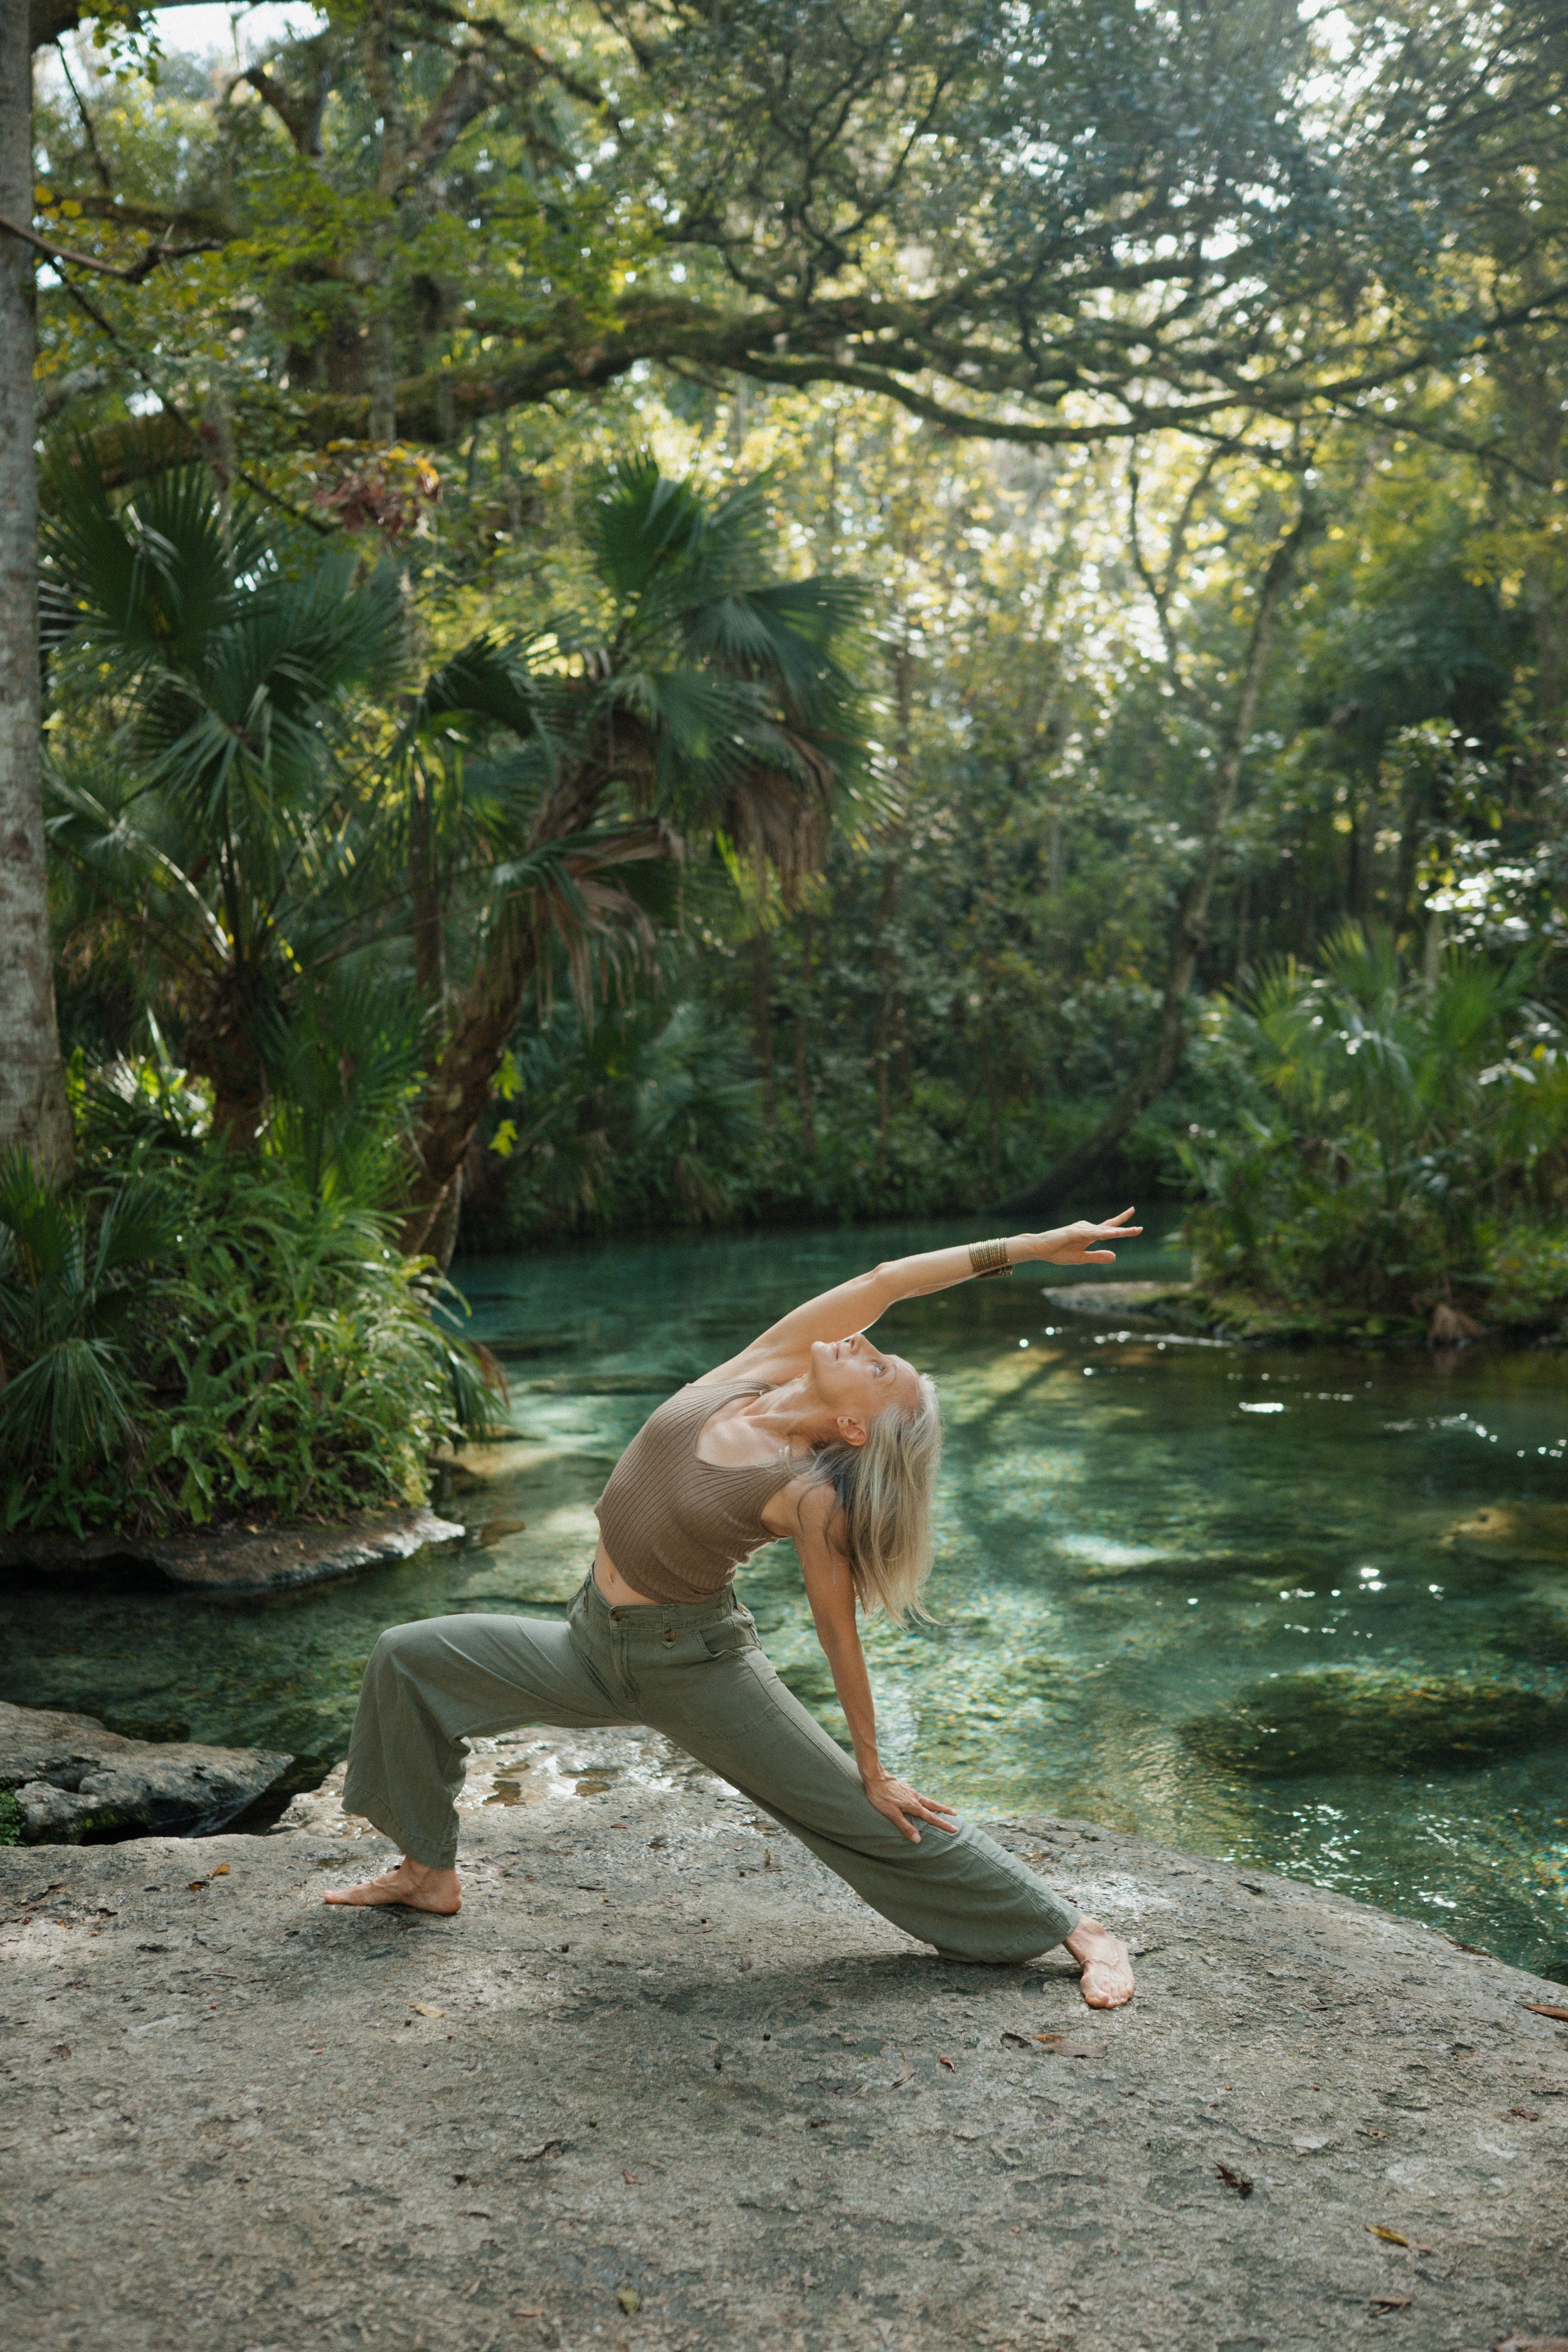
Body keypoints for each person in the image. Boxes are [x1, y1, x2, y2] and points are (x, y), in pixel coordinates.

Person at [327, 1216, 1142, 2008]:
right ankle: (429, 1872)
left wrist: (872, 1762)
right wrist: (1034, 1246)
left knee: (863, 1813)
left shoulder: (809, 1495)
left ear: (855, 1422)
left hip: (691, 1663)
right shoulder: (766, 1365)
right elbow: (887, 1282)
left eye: (879, 1364)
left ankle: (1072, 1927)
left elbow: (835, 1628)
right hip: (587, 1642)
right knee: (406, 1657)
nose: (862, 1340)